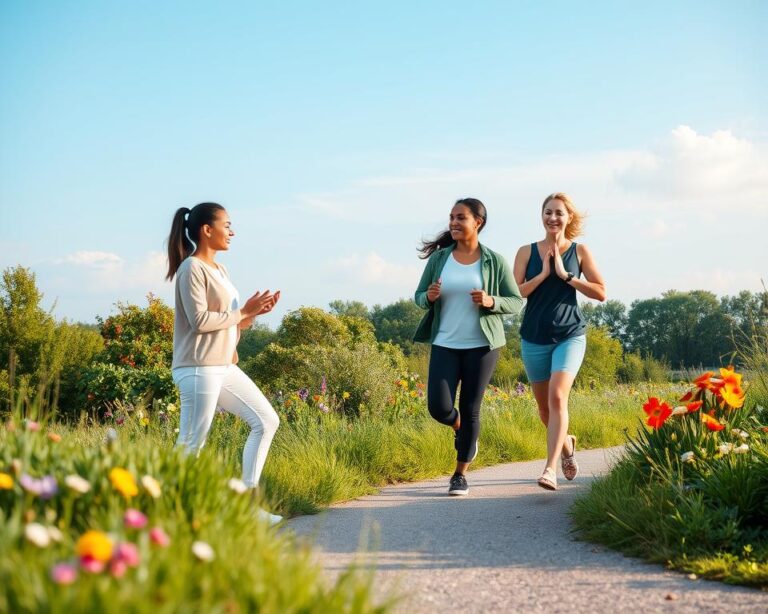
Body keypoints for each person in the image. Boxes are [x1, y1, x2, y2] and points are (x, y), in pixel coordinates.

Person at [165, 202, 283, 523]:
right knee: (192, 442)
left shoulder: (222, 270)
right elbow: (201, 320)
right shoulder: (192, 269)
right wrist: (243, 311)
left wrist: (251, 315)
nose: (232, 232)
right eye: (227, 225)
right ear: (207, 230)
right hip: (198, 367)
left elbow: (230, 324)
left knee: (266, 421)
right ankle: (167, 511)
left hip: (223, 365)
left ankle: (246, 507)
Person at [414, 198, 523, 496]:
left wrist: (491, 301)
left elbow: (515, 300)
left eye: (460, 217)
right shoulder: (440, 259)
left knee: (471, 408)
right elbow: (418, 295)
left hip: (482, 346)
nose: (453, 223)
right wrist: (430, 297)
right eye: (451, 217)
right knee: (439, 408)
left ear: (478, 222)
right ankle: (459, 428)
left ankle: (460, 474)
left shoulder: (494, 261)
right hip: (445, 343)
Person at [513, 192, 606, 491]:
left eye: (559, 213)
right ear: (542, 216)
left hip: (570, 335)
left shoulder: (579, 252)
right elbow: (516, 295)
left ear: (569, 218)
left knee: (557, 397)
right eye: (548, 212)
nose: (553, 218)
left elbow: (600, 292)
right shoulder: (526, 252)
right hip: (534, 337)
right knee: (544, 410)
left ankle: (550, 469)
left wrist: (567, 276)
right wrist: (543, 273)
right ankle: (566, 445)